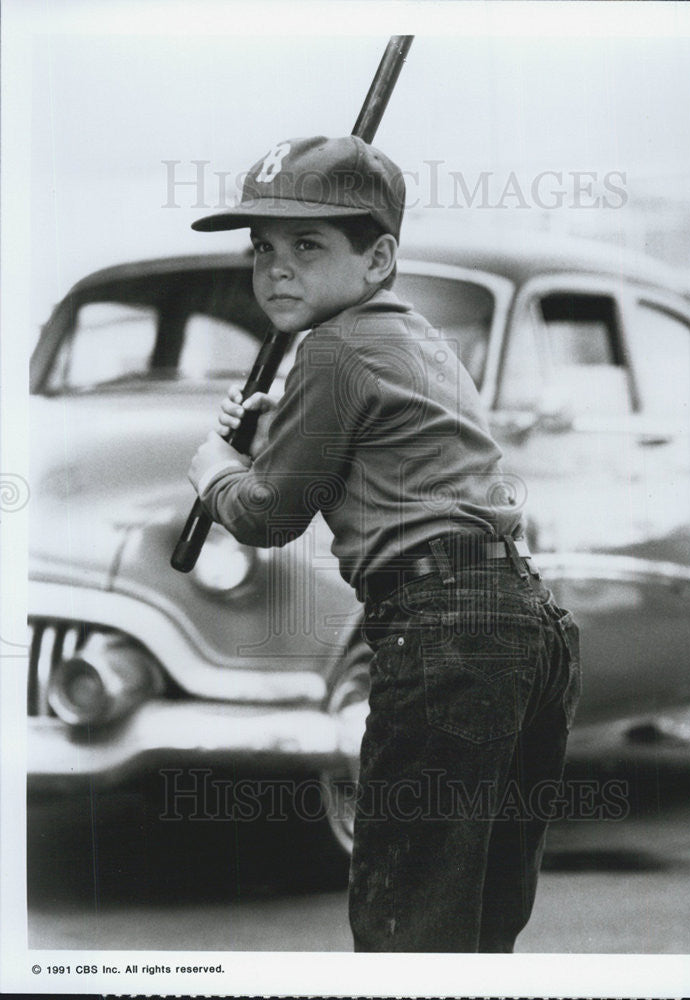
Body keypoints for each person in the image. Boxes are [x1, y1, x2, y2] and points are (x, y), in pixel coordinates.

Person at [187, 134, 581, 952]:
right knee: (477, 925)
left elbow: (269, 517)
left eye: (307, 244)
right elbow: (371, 461)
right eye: (262, 249)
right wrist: (268, 436)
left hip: (443, 633)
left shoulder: (331, 349)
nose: (276, 269)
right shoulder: (411, 337)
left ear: (379, 259)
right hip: (525, 627)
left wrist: (215, 469)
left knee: (407, 921)